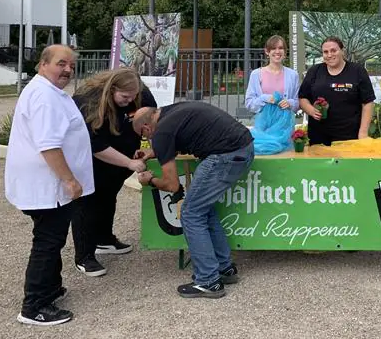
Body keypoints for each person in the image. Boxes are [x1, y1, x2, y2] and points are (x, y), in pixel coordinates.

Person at [4, 45, 94, 326]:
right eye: (61, 64)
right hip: (48, 185)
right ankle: (34, 306)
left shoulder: (48, 91)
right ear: (43, 64)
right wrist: (69, 179)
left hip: (48, 184)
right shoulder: (44, 96)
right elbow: (49, 145)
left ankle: (50, 289)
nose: (67, 70)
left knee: (51, 238)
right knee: (47, 242)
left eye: (71, 66)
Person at [132, 101, 254, 298]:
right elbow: (178, 137)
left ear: (146, 127)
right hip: (243, 148)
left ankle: (208, 280)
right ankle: (224, 268)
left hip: (224, 156)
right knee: (203, 209)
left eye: (143, 135)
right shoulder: (170, 112)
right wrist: (153, 153)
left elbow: (172, 185)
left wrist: (150, 180)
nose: (147, 138)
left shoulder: (161, 132)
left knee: (190, 213)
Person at [69, 68, 156, 277]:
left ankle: (104, 239)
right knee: (87, 203)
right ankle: (84, 256)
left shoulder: (140, 92)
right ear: (111, 89)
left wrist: (145, 147)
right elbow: (95, 144)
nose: (131, 101)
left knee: (108, 197)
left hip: (120, 160)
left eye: (134, 96)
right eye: (125, 97)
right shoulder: (87, 100)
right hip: (92, 159)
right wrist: (128, 163)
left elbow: (150, 120)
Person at [298, 36, 376, 146]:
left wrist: (363, 133)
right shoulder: (314, 71)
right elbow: (302, 98)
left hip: (349, 137)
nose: (329, 55)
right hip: (318, 138)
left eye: (333, 50)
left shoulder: (357, 71)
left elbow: (368, 102)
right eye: (325, 52)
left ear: (342, 51)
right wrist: (310, 109)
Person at [244, 34, 300, 114]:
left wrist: (289, 103)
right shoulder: (256, 74)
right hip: (263, 124)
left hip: (285, 124)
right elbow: (249, 104)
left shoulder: (293, 75)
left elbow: (298, 102)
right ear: (267, 51)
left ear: (285, 51)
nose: (277, 51)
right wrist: (264, 98)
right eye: (273, 48)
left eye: (280, 48)